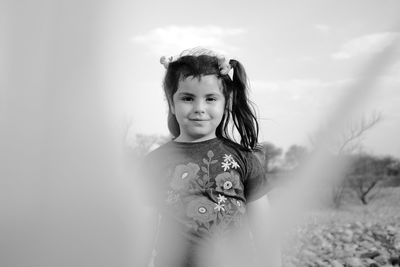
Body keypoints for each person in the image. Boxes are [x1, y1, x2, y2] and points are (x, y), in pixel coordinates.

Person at [140, 48, 281, 267]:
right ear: (171, 102)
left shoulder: (244, 158)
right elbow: (142, 236)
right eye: (187, 98)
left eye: (210, 98)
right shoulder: (154, 162)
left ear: (227, 101)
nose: (199, 108)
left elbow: (265, 234)